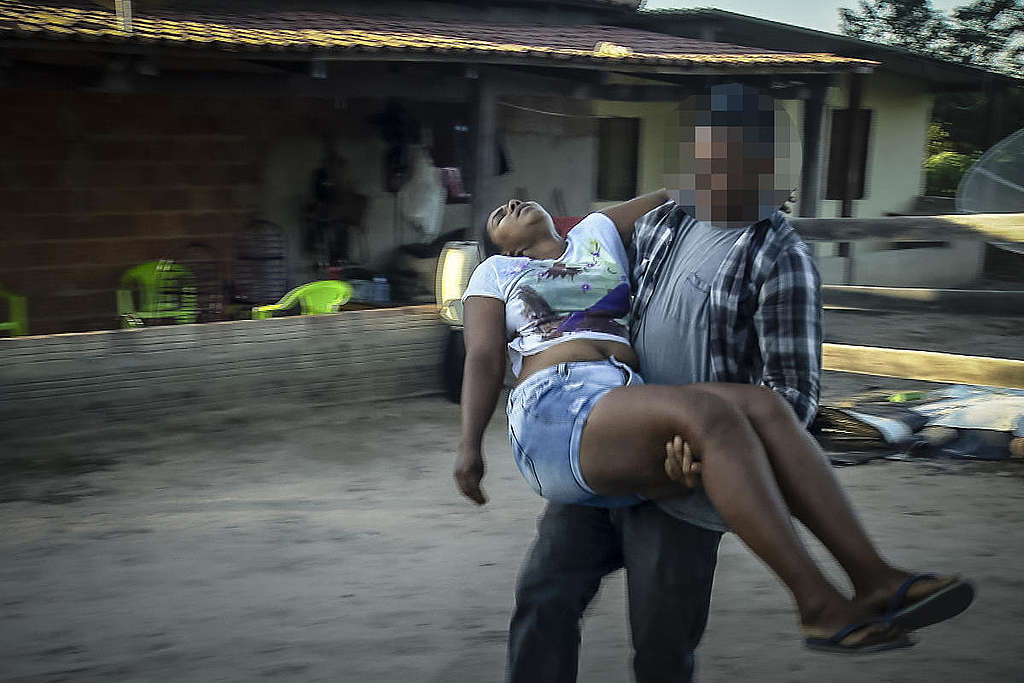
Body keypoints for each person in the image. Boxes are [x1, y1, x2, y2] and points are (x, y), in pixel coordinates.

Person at [455, 190, 975, 661]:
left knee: (764, 407)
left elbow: (677, 189)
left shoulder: (596, 234)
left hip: (630, 411)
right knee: (547, 598)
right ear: (505, 248)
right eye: (498, 214)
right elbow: (482, 358)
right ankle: (817, 604)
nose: (512, 204)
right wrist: (469, 447)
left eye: (515, 200)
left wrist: (755, 183)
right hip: (555, 408)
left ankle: (874, 578)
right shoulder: (497, 273)